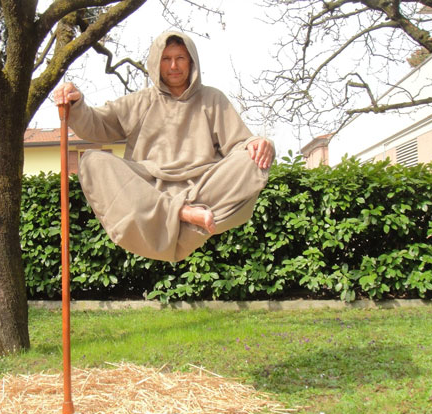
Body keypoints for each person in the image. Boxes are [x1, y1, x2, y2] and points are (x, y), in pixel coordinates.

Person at [53, 31, 275, 262]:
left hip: (201, 189)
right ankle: (182, 214)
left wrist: (257, 143)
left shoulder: (213, 99)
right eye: (166, 59)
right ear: (156, 63)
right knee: (92, 161)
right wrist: (76, 103)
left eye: (180, 58)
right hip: (150, 189)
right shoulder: (140, 101)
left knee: (252, 159)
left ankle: (184, 216)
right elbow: (96, 124)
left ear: (191, 61)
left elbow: (239, 143)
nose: (173, 66)